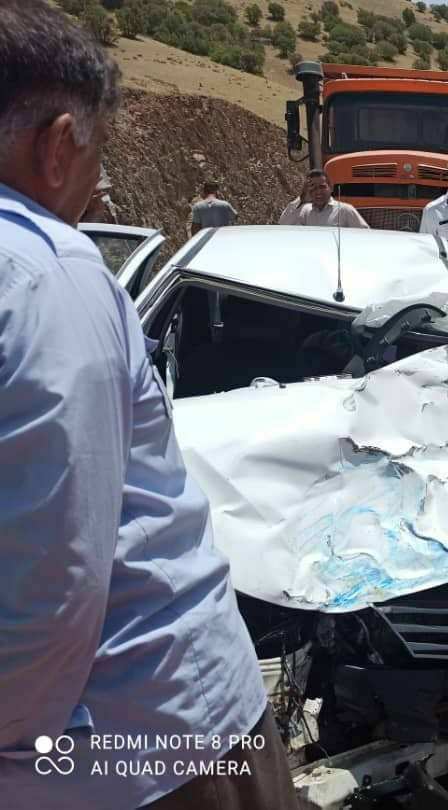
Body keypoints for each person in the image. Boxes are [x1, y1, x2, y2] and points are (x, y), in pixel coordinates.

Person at [0, 2, 298, 808]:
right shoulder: (48, 271)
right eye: (96, 160)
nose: (97, 192)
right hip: (144, 750)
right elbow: (50, 586)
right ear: (58, 143)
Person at [279, 169, 369, 228]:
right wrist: (301, 200)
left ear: (331, 188)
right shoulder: (305, 211)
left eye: (322, 187)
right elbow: (283, 225)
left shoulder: (345, 210)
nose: (318, 192)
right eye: (313, 188)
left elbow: (365, 235)